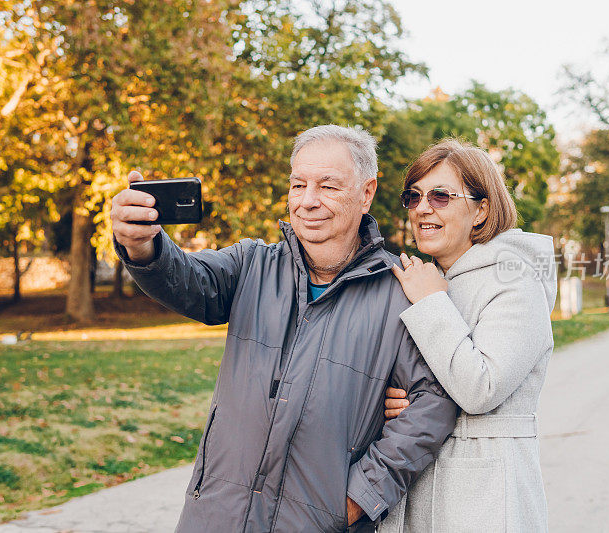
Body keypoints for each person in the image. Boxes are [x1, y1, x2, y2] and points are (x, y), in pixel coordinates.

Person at [111, 125, 458, 532]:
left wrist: (356, 499)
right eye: (299, 184)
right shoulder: (251, 264)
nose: (308, 201)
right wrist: (141, 245)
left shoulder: (401, 290)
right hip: (215, 519)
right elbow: (185, 278)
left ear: (366, 193)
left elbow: (432, 406)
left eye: (328, 186)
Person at [379, 139, 556, 532]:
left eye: (441, 196)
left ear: (482, 210)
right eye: (415, 196)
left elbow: (482, 388)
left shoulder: (515, 281)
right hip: (422, 484)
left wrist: (431, 304)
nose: (423, 208)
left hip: (486, 497)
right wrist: (409, 402)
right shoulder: (431, 282)